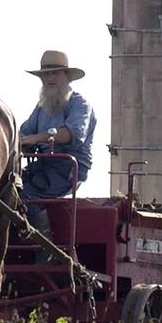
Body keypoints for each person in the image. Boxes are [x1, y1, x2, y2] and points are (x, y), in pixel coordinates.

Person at [18, 49, 96, 236]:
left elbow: (72, 134)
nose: (50, 78)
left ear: (67, 77)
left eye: (55, 73)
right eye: (46, 74)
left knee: (26, 195)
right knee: (8, 187)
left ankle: (45, 248)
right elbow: (23, 133)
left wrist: (36, 138)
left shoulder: (80, 104)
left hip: (69, 168)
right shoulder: (41, 108)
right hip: (44, 166)